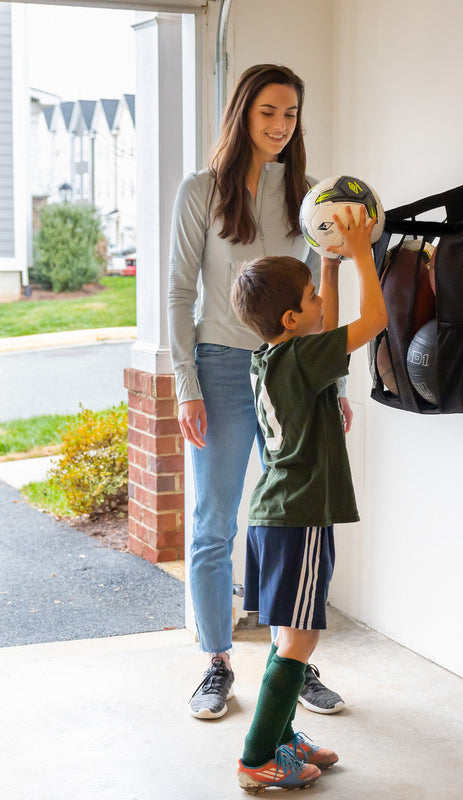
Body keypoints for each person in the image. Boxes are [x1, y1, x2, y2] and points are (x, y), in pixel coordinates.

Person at [168, 64, 349, 720]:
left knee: (289, 527)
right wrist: (186, 385)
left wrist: (333, 379)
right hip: (218, 370)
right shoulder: (201, 191)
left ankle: (290, 662)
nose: (279, 125)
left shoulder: (307, 198)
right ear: (244, 112)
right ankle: (216, 662)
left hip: (294, 375)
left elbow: (314, 306)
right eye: (268, 111)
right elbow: (179, 293)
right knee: (214, 522)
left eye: (290, 114)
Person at [229, 204, 387, 791]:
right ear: (292, 317)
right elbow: (376, 318)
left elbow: (324, 329)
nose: (320, 306)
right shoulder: (302, 355)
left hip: (275, 515)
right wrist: (362, 252)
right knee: (301, 637)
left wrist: (327, 263)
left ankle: (283, 737)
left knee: (285, 632)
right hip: (298, 515)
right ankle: (256, 757)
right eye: (312, 300)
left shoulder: (275, 355)